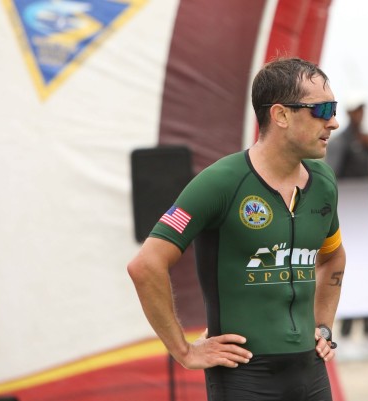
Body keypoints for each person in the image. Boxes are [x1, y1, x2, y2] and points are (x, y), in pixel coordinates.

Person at [127, 57, 346, 401]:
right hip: (245, 378)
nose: (333, 121)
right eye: (322, 109)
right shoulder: (221, 182)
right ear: (281, 115)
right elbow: (145, 265)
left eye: (334, 108)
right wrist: (184, 351)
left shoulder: (323, 182)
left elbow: (332, 259)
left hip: (311, 373)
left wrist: (323, 326)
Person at [325, 93, 368, 357]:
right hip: (347, 221)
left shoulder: (366, 141)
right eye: (357, 110)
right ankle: (345, 334)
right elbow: (331, 175)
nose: (361, 115)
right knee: (348, 272)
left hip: (367, 222)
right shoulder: (342, 142)